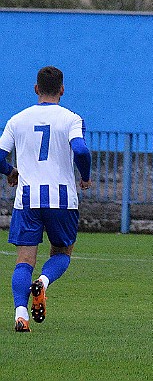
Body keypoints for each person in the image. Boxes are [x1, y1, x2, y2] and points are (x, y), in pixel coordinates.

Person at [0, 66, 92, 332]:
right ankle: (43, 281)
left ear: (36, 89)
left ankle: (21, 314)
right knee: (62, 253)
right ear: (62, 90)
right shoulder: (71, 118)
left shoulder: (18, 120)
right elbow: (82, 150)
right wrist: (84, 176)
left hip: (28, 199)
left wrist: (11, 171)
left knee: (23, 260)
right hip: (62, 199)